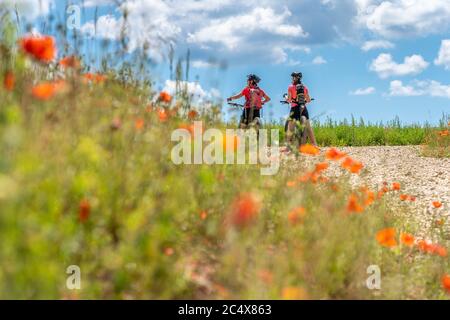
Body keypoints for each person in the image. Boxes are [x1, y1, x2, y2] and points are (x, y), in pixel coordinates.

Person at [286, 72, 317, 146]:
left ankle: (288, 145)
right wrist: (305, 101)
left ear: (294, 78)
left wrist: (286, 98)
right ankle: (314, 144)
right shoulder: (304, 87)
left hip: (294, 108)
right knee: (308, 126)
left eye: (293, 77)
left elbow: (289, 100)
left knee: (290, 127)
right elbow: (308, 100)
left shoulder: (290, 87)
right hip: (303, 108)